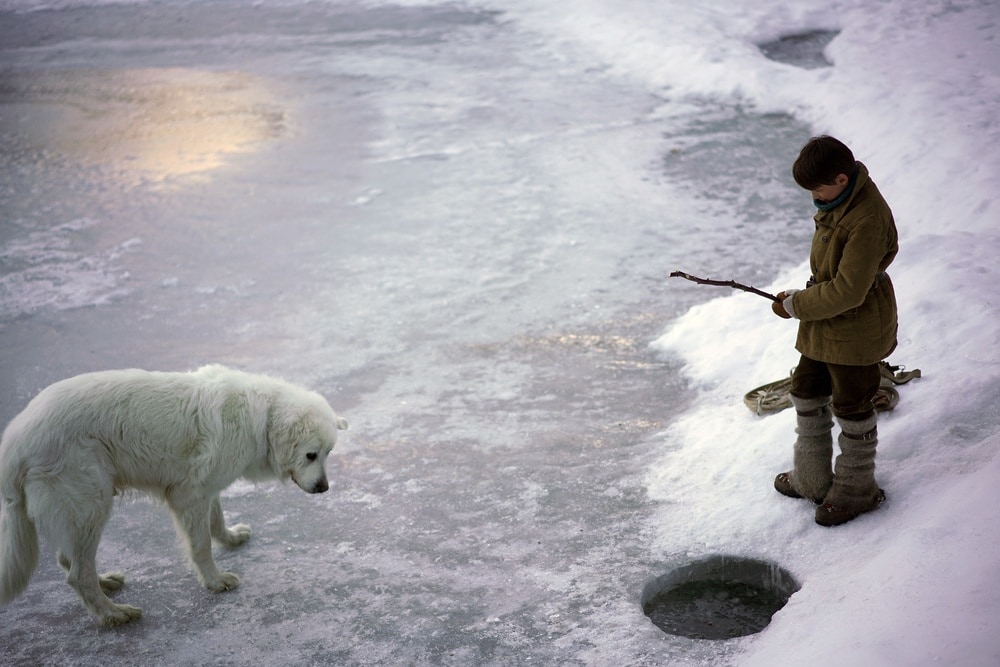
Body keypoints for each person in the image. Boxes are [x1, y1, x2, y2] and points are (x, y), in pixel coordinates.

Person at [771, 135, 898, 527]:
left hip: (856, 326)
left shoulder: (866, 218)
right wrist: (802, 301)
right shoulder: (839, 202)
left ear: (841, 179)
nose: (813, 195)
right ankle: (811, 478)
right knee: (807, 390)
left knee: (852, 406)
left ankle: (857, 490)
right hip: (827, 321)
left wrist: (798, 305)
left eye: (817, 187)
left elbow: (848, 290)